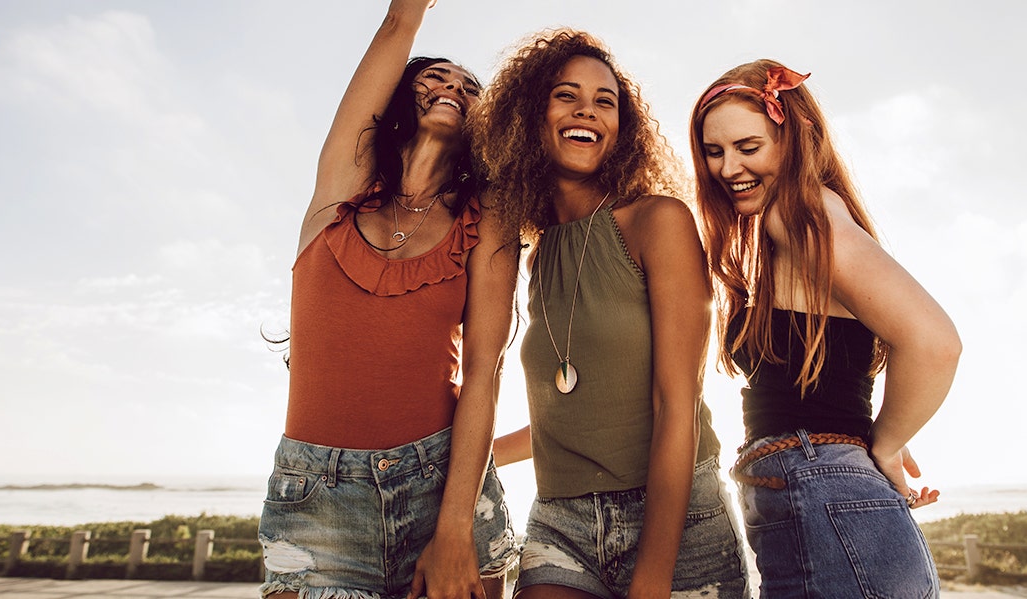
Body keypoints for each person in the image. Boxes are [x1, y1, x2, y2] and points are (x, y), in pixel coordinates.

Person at [471, 29, 749, 599]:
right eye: (565, 95)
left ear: (622, 127)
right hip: (560, 521)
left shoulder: (657, 222)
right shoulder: (540, 254)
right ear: (530, 114)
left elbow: (676, 405)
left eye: (605, 101)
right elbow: (568, 414)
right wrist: (467, 460)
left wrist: (652, 579)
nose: (587, 111)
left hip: (678, 517)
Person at [257, 1, 519, 598]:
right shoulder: (339, 191)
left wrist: (454, 529)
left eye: (470, 86)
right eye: (436, 76)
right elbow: (398, 24)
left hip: (445, 486)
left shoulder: (489, 219)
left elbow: (484, 371)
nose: (454, 86)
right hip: (316, 496)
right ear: (400, 96)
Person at [689, 59, 962, 598]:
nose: (727, 168)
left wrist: (885, 444)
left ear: (793, 141)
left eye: (749, 147)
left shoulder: (797, 213)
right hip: (828, 496)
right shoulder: (802, 220)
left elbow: (935, 342)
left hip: (821, 488)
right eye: (714, 152)